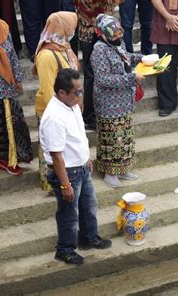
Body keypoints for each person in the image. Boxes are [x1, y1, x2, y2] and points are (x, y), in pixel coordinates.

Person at [40, 68, 112, 266]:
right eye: (77, 92)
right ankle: (65, 250)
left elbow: (78, 136)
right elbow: (56, 155)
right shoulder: (54, 116)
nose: (81, 95)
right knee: (69, 214)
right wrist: (65, 184)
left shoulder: (71, 105)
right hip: (67, 172)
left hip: (80, 166)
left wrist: (86, 158)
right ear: (62, 93)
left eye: (81, 91)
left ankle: (89, 238)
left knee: (89, 206)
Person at [0, 0, 33, 183]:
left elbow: (12, 56)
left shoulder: (3, 26)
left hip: (6, 86)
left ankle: (7, 159)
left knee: (9, 126)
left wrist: (17, 79)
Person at [91, 14, 143, 188]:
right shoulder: (98, 51)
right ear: (103, 35)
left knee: (125, 137)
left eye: (119, 34)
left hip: (124, 101)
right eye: (113, 35)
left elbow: (126, 56)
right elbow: (103, 79)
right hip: (108, 104)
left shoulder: (117, 45)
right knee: (111, 138)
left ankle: (123, 168)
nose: (118, 38)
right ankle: (109, 172)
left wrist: (142, 58)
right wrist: (131, 78)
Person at [34, 11, 79, 193]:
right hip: (52, 110)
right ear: (63, 28)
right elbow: (47, 90)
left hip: (67, 107)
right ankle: (53, 184)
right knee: (53, 150)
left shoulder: (63, 47)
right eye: (71, 27)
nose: (73, 30)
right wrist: (59, 113)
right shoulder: (46, 56)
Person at [75, 0, 123, 130]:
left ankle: (107, 110)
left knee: (110, 70)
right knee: (91, 74)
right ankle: (89, 116)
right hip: (88, 29)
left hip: (107, 29)